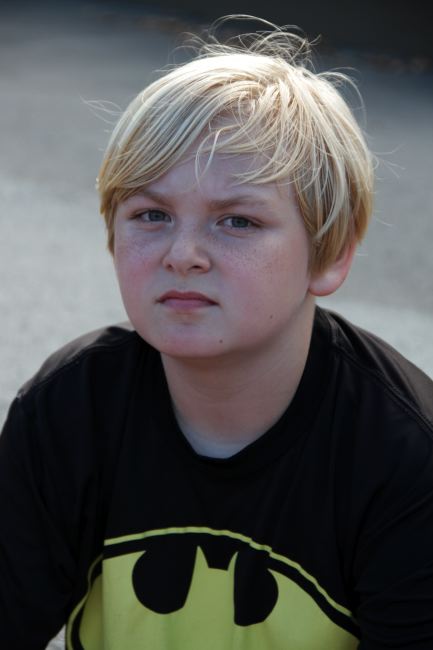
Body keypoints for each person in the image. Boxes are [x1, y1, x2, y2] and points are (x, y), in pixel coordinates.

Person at [1, 16, 432, 650]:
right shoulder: (69, 408)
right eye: (151, 214)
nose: (183, 254)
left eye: (237, 222)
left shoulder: (403, 455)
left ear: (330, 255)